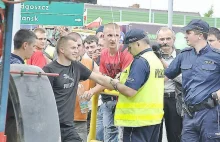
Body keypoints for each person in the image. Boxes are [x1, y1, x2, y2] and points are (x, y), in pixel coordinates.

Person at [84, 28, 164, 142]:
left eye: (130, 47)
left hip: (137, 121)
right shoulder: (155, 60)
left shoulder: (140, 61)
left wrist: (115, 83)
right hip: (153, 119)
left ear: (138, 43)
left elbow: (130, 91)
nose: (129, 51)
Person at [42, 35, 120, 142]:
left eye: (78, 47)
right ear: (62, 49)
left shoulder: (77, 66)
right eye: (73, 48)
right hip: (51, 125)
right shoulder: (49, 69)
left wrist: (119, 85)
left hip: (68, 126)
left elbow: (99, 78)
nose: (77, 51)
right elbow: (43, 99)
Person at [164, 19, 220, 142]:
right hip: (189, 115)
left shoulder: (217, 56)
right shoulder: (184, 55)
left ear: (200, 35)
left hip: (210, 114)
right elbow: (164, 77)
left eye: (189, 33)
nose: (185, 36)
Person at [85, 23, 133, 142]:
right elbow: (103, 80)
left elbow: (123, 80)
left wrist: (93, 90)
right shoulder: (104, 54)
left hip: (125, 101)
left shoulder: (126, 52)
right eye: (110, 35)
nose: (113, 39)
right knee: (101, 135)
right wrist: (92, 91)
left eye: (116, 35)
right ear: (103, 36)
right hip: (107, 100)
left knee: (116, 135)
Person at [5, 29, 37, 142]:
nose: (34, 50)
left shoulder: (5, 59)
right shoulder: (17, 67)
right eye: (33, 46)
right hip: (11, 119)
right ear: (25, 45)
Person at [68, 32, 98, 142]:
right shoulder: (59, 64)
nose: (76, 49)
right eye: (73, 47)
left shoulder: (90, 63)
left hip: (81, 118)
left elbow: (101, 80)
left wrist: (92, 91)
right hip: (62, 119)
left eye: (79, 46)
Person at [156, 27, 182, 142]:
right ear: (157, 40)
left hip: (174, 99)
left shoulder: (181, 56)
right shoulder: (152, 57)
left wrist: (168, 71)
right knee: (155, 135)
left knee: (175, 135)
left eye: (168, 38)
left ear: (174, 39)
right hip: (155, 99)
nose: (165, 42)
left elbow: (184, 79)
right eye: (161, 39)